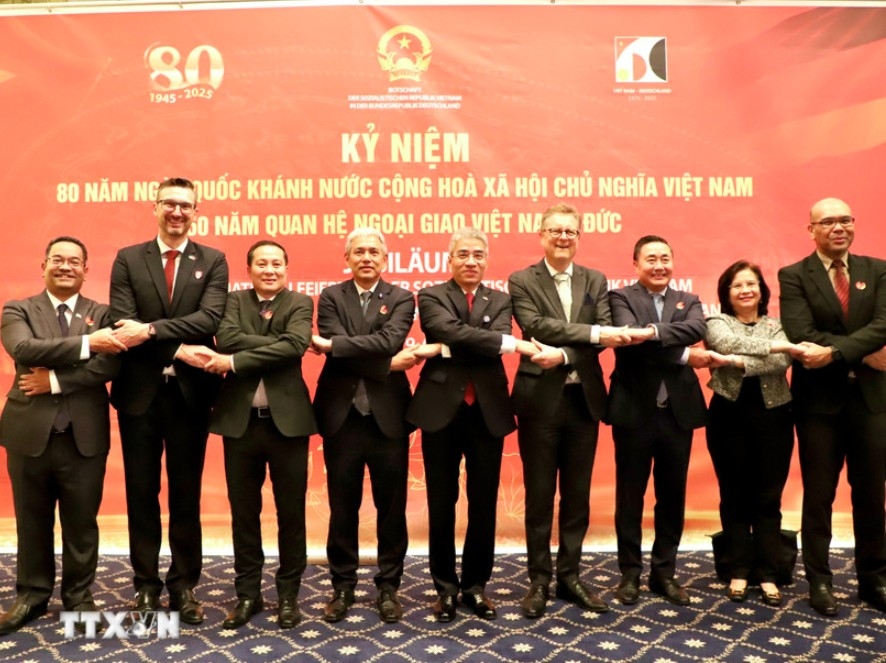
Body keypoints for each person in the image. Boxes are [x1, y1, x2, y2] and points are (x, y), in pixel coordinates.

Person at [109, 177, 229, 624]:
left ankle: (183, 587)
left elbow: (209, 317)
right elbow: (123, 321)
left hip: (190, 395)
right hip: (138, 393)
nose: (177, 212)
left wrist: (153, 331)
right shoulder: (128, 258)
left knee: (185, 495)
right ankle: (145, 588)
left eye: (186, 205)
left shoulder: (213, 260)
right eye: (169, 204)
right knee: (141, 494)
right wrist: (177, 347)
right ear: (154, 206)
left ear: (196, 211)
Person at [508, 202, 636, 618]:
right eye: (555, 230)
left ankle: (570, 576)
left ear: (579, 237)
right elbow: (537, 327)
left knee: (577, 497)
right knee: (540, 496)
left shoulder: (595, 279)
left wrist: (567, 354)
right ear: (541, 234)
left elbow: (601, 338)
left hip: (584, 401)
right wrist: (594, 334)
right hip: (539, 401)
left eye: (571, 231)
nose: (563, 237)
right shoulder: (522, 279)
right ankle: (538, 581)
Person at [406, 228, 539, 622]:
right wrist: (487, 342)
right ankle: (445, 588)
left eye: (478, 255)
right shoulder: (431, 295)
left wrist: (467, 343)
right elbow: (444, 330)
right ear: (450, 259)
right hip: (440, 409)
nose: (471, 261)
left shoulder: (500, 299)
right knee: (441, 502)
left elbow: (493, 336)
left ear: (486, 260)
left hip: (487, 410)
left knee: (483, 503)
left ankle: (476, 587)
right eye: (463, 254)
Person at [0, 237, 123, 635]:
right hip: (28, 434)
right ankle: (32, 595)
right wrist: (89, 343)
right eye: (58, 260)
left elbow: (110, 367)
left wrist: (54, 380)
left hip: (83, 435)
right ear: (44, 266)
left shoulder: (103, 312)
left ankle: (79, 598)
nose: (66, 266)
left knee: (81, 522)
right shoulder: (17, 308)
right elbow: (23, 347)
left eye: (75, 261)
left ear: (87, 270)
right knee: (31, 520)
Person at [194, 240, 315, 629]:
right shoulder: (234, 302)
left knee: (291, 514)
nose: (269, 270)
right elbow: (226, 339)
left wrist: (235, 361)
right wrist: (274, 347)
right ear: (249, 269)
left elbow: (297, 345)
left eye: (276, 263)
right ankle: (248, 595)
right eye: (261, 264)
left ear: (286, 268)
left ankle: (288, 597)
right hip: (241, 424)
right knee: (244, 514)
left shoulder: (299, 303)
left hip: (288, 425)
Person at [778, 197, 886, 616]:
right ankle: (819, 582)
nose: (838, 227)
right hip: (818, 404)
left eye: (845, 220)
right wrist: (863, 351)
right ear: (811, 230)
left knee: (872, 493)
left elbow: (883, 325)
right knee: (819, 495)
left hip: (872, 400)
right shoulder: (794, 276)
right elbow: (802, 332)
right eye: (828, 222)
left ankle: (874, 578)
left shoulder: (878, 270)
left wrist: (839, 353)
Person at [608, 234, 726, 607]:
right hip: (633, 411)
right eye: (651, 259)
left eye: (665, 259)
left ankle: (664, 573)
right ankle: (629, 574)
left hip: (677, 413)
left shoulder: (688, 299)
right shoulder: (620, 298)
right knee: (630, 496)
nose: (659, 266)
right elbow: (631, 344)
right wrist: (680, 355)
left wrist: (653, 333)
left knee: (671, 496)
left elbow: (698, 330)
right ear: (636, 264)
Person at [311, 227, 419, 624]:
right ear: (348, 258)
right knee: (343, 506)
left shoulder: (403, 297)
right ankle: (342, 585)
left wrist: (339, 348)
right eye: (359, 251)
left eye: (374, 251)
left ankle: (389, 585)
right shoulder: (330, 297)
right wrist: (382, 361)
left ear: (385, 258)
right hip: (342, 417)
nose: (367, 257)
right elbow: (337, 341)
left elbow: (390, 340)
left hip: (387, 417)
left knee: (391, 508)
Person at [705, 260, 803, 606]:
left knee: (767, 498)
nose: (746, 290)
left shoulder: (778, 325)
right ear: (726, 293)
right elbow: (725, 343)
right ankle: (738, 569)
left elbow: (782, 363)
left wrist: (735, 363)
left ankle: (768, 573)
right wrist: (775, 349)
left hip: (774, 417)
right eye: (737, 285)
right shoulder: (717, 321)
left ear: (762, 291)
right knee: (733, 495)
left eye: (752, 284)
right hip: (727, 416)